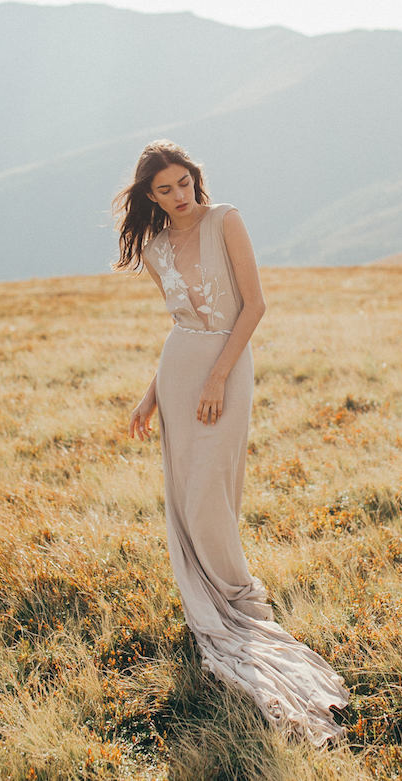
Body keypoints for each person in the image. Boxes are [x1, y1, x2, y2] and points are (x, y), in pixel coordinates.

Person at [112, 140, 349, 747]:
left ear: (196, 177)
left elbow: (254, 305)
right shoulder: (158, 246)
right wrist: (152, 394)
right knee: (185, 491)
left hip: (226, 367)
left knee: (209, 493)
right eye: (163, 190)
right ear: (149, 197)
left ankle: (236, 601)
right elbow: (179, 325)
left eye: (183, 182)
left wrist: (217, 376)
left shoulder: (226, 220)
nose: (178, 195)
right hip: (179, 368)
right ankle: (207, 596)